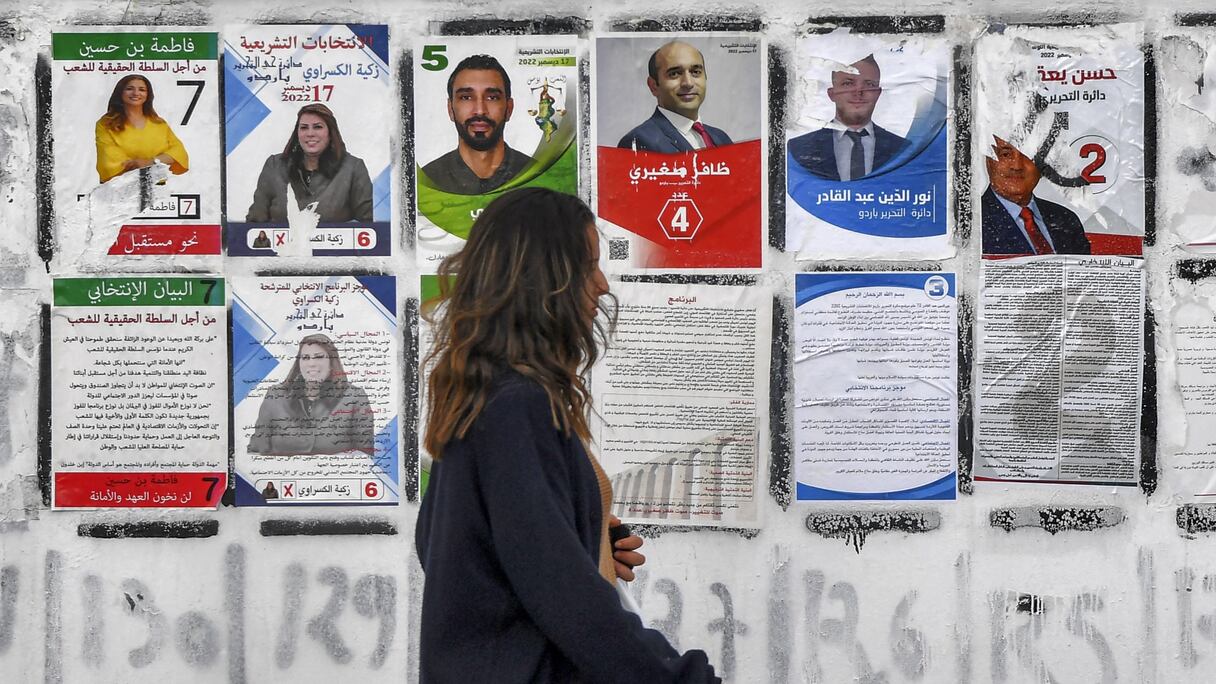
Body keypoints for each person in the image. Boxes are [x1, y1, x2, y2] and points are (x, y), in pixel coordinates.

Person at [416, 188, 720, 683]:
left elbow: (445, 544)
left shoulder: (482, 394)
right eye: (589, 267)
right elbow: (566, 597)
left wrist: (585, 534)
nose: (601, 285)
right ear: (545, 282)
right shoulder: (517, 407)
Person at [421, 54, 535, 195]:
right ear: (450, 109)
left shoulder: (537, 175)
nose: (480, 110)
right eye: (466, 97)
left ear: (509, 108)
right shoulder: (426, 181)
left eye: (492, 98)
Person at [248, 333, 374, 456]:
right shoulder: (275, 395)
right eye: (305, 357)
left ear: (332, 363)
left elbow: (364, 454)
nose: (311, 363)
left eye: (319, 357)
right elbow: (256, 451)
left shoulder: (354, 397)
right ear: (299, 364)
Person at [787, 55, 908, 181]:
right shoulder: (797, 149)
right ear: (831, 94)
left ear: (878, 94)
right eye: (848, 83)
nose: (858, 92)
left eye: (869, 84)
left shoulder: (904, 150)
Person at [246, 103, 373, 222]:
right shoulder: (274, 166)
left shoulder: (353, 168)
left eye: (318, 127)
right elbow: (253, 225)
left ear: (330, 132)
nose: (310, 133)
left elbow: (368, 227)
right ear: (297, 133)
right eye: (304, 128)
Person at [982, 136, 1091, 255]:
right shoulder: (970, 222)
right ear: (988, 161)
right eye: (1006, 155)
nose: (1017, 166)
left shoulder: (1066, 220)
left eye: (1029, 155)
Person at [618, 40, 732, 153]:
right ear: (653, 86)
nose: (688, 83)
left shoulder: (722, 138)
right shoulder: (637, 142)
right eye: (674, 74)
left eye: (696, 72)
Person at [95, 74, 189, 183]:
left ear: (148, 95)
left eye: (142, 90)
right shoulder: (106, 124)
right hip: (118, 191)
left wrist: (151, 162)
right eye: (130, 89)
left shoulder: (159, 124)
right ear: (120, 93)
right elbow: (108, 164)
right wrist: (162, 160)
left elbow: (180, 152)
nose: (136, 93)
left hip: (156, 190)